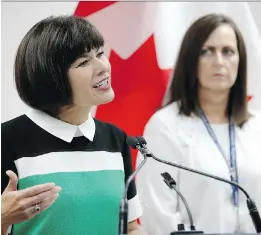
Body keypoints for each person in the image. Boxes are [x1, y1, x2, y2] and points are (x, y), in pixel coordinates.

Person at [1, 15, 143, 235]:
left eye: (100, 53)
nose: (103, 67)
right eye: (84, 62)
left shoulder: (116, 139)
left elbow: (130, 227)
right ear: (51, 78)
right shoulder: (7, 140)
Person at [135, 13, 261, 234]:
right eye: (207, 51)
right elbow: (157, 215)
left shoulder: (256, 126)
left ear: (240, 61)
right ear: (191, 59)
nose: (219, 61)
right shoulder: (165, 126)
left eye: (228, 52)